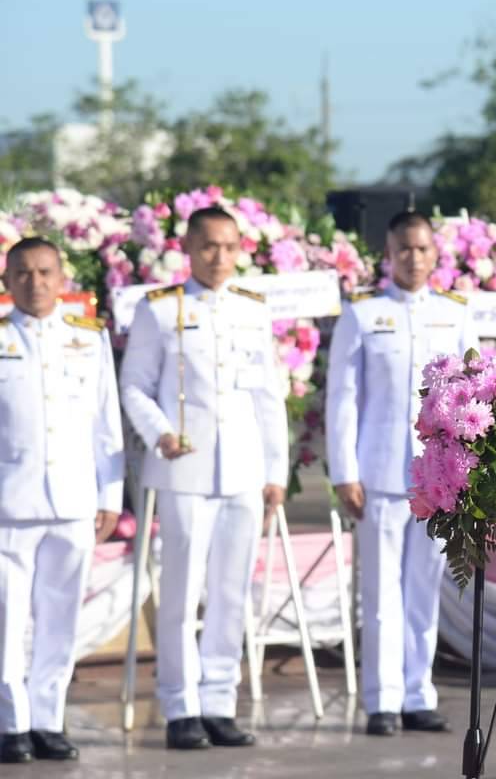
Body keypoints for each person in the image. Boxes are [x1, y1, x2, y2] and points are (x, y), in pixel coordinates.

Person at [119, 206, 289, 752]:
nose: (219, 257)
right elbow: (135, 387)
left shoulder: (252, 310)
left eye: (229, 246)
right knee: (181, 592)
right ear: (188, 249)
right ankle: (180, 705)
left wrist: (276, 470)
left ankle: (219, 702)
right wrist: (161, 432)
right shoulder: (160, 309)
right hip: (183, 469)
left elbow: (268, 397)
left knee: (231, 592)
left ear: (241, 250)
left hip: (241, 470)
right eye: (209, 246)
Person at [325, 211, 465, 737]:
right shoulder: (363, 314)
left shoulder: (454, 315)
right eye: (403, 249)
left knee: (423, 590)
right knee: (380, 594)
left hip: (436, 477)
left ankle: (417, 694)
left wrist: (465, 473)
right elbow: (341, 399)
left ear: (435, 254)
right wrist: (345, 471)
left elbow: (469, 395)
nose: (413, 258)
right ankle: (381, 700)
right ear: (389, 254)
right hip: (380, 472)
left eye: (423, 248)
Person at [0, 239, 124, 765]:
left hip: (73, 500)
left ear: (60, 277)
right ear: (7, 280)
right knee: (6, 620)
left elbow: (105, 423)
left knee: (60, 618)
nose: (35, 282)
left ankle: (49, 719)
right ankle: (11, 723)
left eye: (45, 272)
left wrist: (110, 495)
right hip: (9, 502)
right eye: (23, 273)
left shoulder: (86, 338)